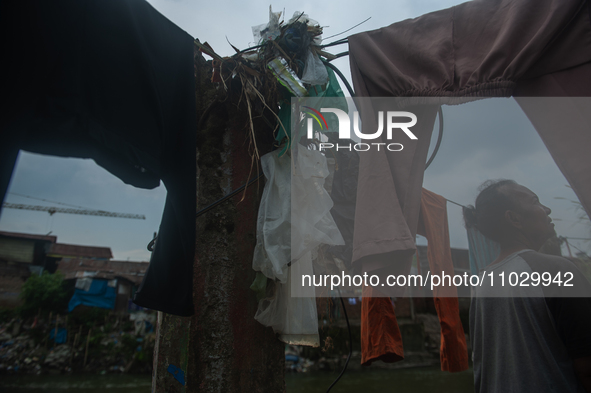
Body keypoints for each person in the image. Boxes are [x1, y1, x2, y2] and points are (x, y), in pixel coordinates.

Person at [464, 179, 591, 392]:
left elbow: (481, 362)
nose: (547, 209)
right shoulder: (557, 269)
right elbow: (587, 366)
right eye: (536, 202)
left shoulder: (483, 282)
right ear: (514, 219)